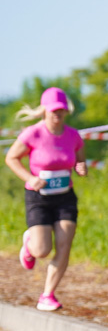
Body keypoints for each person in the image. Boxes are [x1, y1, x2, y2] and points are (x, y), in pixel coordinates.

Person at [4, 87, 87, 311]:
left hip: (65, 198)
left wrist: (81, 168)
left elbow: (80, 161)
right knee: (42, 250)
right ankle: (30, 245)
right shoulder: (33, 133)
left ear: (66, 111)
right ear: (44, 111)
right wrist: (30, 178)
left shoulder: (73, 135)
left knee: (65, 243)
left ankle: (47, 295)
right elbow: (11, 158)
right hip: (38, 197)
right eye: (53, 110)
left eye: (61, 110)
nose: (57, 114)